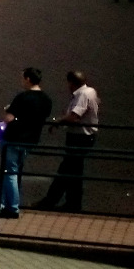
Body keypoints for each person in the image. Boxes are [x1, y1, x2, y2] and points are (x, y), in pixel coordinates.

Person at [0, 67, 52, 219]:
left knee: (9, 173)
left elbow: (8, 118)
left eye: (23, 78)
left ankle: (12, 207)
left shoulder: (23, 97)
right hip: (30, 140)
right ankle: (1, 205)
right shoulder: (46, 99)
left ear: (28, 79)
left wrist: (8, 111)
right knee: (12, 172)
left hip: (13, 139)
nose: (21, 80)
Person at [33, 71, 100, 213]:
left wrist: (57, 121)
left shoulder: (82, 95)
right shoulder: (90, 91)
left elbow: (75, 116)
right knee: (74, 172)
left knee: (66, 170)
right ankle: (72, 203)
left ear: (71, 82)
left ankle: (50, 201)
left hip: (79, 138)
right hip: (85, 137)